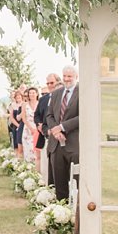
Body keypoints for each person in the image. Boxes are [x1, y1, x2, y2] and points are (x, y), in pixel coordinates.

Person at [44, 65, 80, 203]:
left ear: (76, 77)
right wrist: (56, 130)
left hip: (74, 144)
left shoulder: (82, 92)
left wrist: (63, 127)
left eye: (69, 76)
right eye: (64, 76)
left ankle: (77, 215)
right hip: (56, 144)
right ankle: (61, 212)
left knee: (77, 183)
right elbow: (49, 115)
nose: (66, 79)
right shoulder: (56, 93)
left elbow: (83, 116)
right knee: (59, 183)